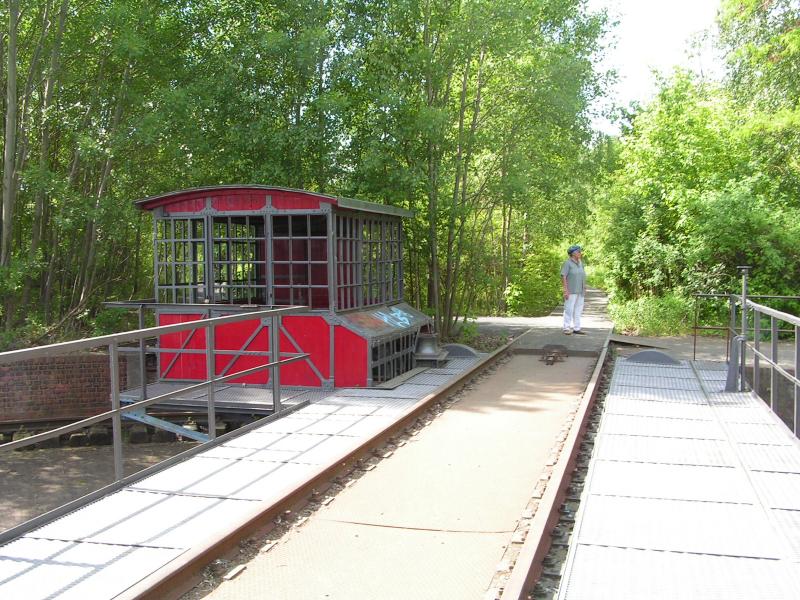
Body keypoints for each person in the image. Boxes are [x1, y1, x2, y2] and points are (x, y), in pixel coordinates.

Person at [561, 244, 586, 335]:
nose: (580, 253)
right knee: (569, 309)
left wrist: (584, 286)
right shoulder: (567, 263)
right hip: (571, 290)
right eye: (578, 251)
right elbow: (563, 276)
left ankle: (577, 328)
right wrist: (565, 290)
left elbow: (583, 275)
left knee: (578, 310)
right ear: (573, 253)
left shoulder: (580, 263)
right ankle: (566, 328)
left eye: (580, 251)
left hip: (580, 290)